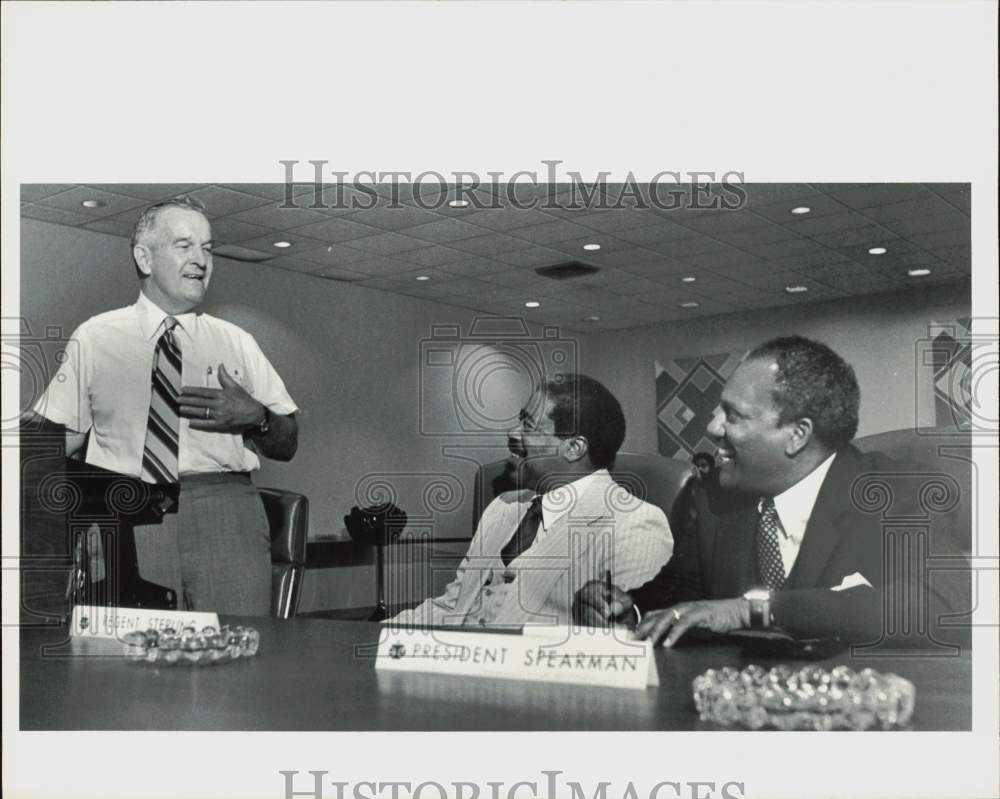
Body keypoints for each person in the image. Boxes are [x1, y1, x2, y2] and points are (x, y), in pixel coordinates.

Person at [574, 336, 967, 646]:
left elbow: (944, 603)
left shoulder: (896, 492)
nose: (712, 428)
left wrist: (756, 610)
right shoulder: (713, 498)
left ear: (797, 435)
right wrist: (628, 612)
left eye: (733, 415)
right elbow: (682, 598)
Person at [32, 195, 299, 615]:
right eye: (184, 245)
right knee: (128, 665)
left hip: (224, 515)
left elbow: (288, 440)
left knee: (239, 662)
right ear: (144, 257)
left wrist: (258, 418)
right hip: (125, 516)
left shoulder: (237, 343)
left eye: (208, 248)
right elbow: (53, 440)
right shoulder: (95, 337)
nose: (201, 260)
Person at [391, 373, 673, 628]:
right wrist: (374, 635)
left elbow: (628, 632)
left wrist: (624, 620)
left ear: (573, 448)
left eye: (528, 425)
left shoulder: (634, 523)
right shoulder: (502, 508)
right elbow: (453, 606)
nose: (512, 434)